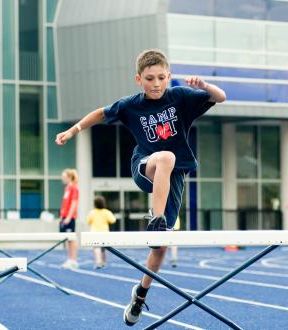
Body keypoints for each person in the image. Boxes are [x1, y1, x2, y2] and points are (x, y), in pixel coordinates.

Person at [55, 49, 226, 326]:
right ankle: (155, 219)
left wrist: (204, 86)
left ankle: (140, 294)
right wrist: (73, 131)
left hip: (173, 178)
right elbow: (100, 113)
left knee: (159, 248)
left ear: (169, 77)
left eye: (161, 78)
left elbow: (221, 97)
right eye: (149, 79)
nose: (156, 84)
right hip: (145, 166)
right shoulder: (131, 105)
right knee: (165, 157)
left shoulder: (180, 97)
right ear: (138, 79)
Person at [87, 196, 116, 269]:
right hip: (104, 232)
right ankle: (103, 262)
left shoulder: (92, 212)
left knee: (96, 247)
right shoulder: (106, 212)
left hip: (94, 232)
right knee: (104, 248)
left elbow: (88, 221)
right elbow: (113, 220)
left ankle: (98, 262)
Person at [59, 169, 80, 270]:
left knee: (72, 238)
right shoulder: (67, 188)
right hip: (64, 216)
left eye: (64, 177)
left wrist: (68, 217)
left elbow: (74, 203)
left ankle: (73, 260)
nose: (62, 179)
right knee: (68, 239)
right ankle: (69, 259)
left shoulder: (74, 188)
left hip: (70, 217)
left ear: (69, 177)